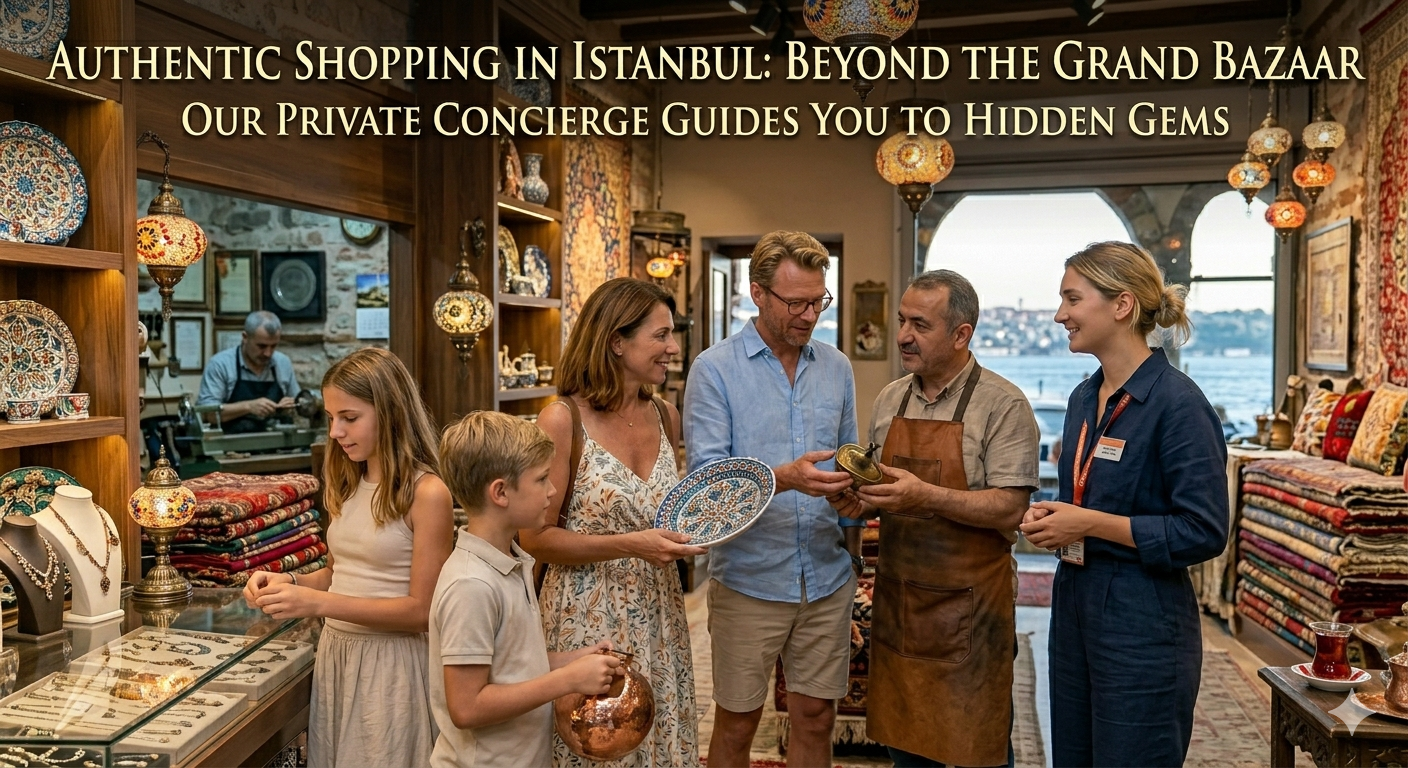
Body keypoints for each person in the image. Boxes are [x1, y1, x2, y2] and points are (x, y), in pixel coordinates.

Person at [1019, 241, 1228, 767]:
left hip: (1144, 622)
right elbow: (1088, 494)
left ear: (1122, 305)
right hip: (1073, 605)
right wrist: (1055, 517)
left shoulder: (1179, 404)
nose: (1059, 314)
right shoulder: (1082, 399)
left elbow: (1203, 530)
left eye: (1072, 298)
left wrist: (1087, 522)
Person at [844, 270, 1039, 768]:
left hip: (974, 614)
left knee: (980, 748)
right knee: (905, 747)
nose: (904, 335)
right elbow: (883, 493)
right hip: (900, 603)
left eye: (920, 324)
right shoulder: (891, 400)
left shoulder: (1004, 404)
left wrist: (926, 496)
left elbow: (1011, 509)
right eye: (903, 320)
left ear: (961, 335)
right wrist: (858, 500)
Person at [684, 230, 859, 768]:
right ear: (756, 293)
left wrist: (854, 502)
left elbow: (848, 460)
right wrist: (783, 478)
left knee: (816, 718)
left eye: (818, 301)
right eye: (796, 302)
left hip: (827, 578)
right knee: (737, 723)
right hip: (749, 579)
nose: (810, 315)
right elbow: (707, 487)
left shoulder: (837, 367)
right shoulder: (714, 370)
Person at [244, 347, 455, 767]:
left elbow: (423, 610)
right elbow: (338, 575)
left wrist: (317, 603)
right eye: (330, 417)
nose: (336, 431)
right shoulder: (347, 481)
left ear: (390, 412)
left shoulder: (428, 493)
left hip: (393, 665)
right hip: (339, 656)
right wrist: (289, 583)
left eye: (350, 417)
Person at [524, 277, 705, 767]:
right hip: (586, 617)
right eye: (661, 336)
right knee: (595, 746)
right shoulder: (561, 421)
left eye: (673, 336)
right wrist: (632, 544)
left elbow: (665, 512)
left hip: (660, 613)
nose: (673, 348)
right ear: (616, 341)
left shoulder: (666, 415)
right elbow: (534, 537)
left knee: (658, 741)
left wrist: (694, 533)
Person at [431, 410, 624, 768]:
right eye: (541, 479)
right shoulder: (471, 585)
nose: (553, 491)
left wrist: (573, 660)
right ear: (501, 492)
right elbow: (467, 706)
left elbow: (509, 668)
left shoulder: (511, 561)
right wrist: (566, 680)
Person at [197, 310, 302, 434]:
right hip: (233, 446)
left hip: (276, 444)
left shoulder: (282, 362)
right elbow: (207, 413)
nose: (268, 353)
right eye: (261, 346)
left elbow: (300, 402)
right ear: (245, 337)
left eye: (273, 346)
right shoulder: (221, 364)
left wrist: (292, 405)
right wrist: (248, 407)